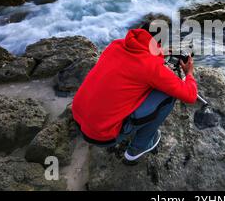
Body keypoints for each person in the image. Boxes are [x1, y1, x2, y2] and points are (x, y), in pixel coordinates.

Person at [72, 23, 197, 162]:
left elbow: (135, 59)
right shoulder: (151, 67)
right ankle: (138, 148)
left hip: (78, 117)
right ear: (158, 43)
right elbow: (190, 96)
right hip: (102, 136)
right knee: (169, 95)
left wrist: (160, 51)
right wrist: (189, 73)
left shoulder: (115, 45)